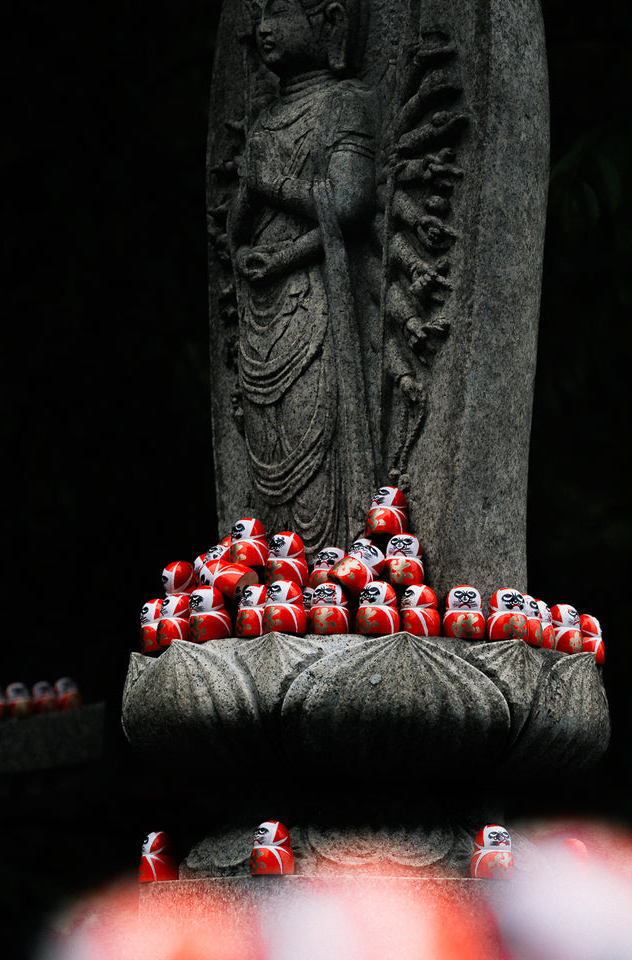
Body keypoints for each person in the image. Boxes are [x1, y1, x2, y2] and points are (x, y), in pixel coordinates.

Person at [229, 0, 376, 555]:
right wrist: (247, 201)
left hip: (313, 303)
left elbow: (349, 204)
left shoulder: (345, 104)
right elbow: (236, 228)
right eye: (260, 15)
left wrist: (271, 192)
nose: (264, 28)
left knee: (316, 431)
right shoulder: (267, 119)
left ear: (330, 21)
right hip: (263, 308)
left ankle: (337, 568)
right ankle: (276, 572)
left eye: (280, 12)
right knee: (267, 433)